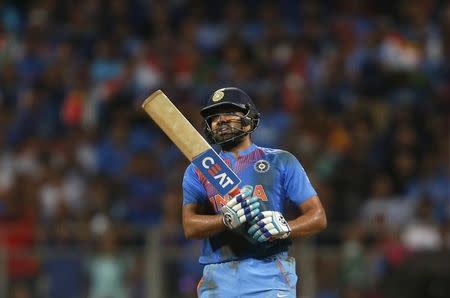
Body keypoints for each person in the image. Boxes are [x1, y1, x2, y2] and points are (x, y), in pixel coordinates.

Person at [182, 87, 327, 297]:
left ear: (249, 119)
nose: (221, 120)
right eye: (214, 117)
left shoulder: (280, 161)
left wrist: (287, 227)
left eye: (230, 113)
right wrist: (224, 221)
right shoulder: (199, 168)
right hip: (219, 279)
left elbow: (318, 217)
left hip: (270, 272)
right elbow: (189, 226)